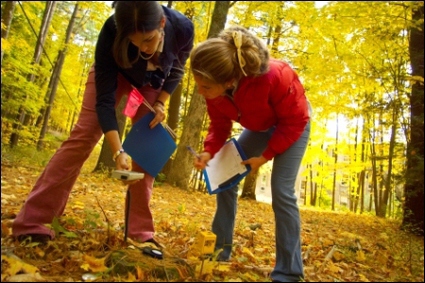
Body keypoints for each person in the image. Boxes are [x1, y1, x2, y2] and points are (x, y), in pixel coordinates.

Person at [12, 1, 194, 246]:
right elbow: (104, 102)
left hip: (152, 84)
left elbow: (177, 69)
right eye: (135, 41)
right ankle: (33, 222)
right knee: (84, 135)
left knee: (148, 146)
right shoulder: (112, 29)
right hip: (114, 76)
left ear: (162, 24)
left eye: (149, 39)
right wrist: (117, 150)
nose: (144, 49)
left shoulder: (183, 28)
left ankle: (140, 233)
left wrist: (161, 102)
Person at [189, 26, 311, 282]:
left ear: (229, 80)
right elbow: (219, 125)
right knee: (224, 177)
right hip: (261, 126)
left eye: (206, 86)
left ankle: (289, 272)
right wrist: (209, 151)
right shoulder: (214, 89)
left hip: (293, 124)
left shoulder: (274, 75)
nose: (201, 91)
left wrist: (265, 156)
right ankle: (220, 251)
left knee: (281, 190)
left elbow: (295, 121)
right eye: (198, 84)